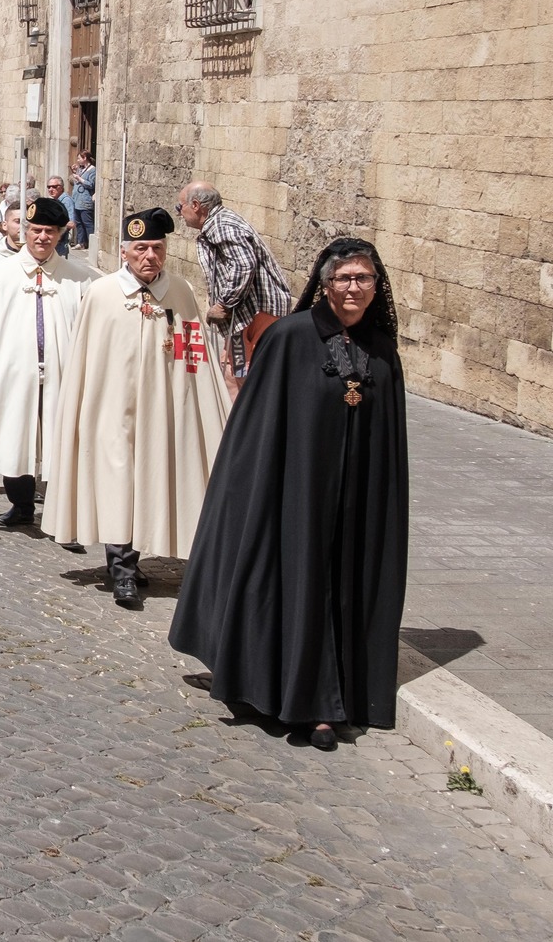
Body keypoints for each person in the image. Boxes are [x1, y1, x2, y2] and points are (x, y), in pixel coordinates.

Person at [171, 238, 408, 751]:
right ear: (324, 285)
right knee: (298, 585)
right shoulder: (290, 338)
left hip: (354, 500)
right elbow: (254, 430)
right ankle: (308, 706)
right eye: (343, 278)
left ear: (377, 286)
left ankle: (340, 695)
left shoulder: (383, 349)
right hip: (292, 494)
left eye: (363, 278)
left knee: (343, 587)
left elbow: (388, 437)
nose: (353, 288)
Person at [45, 208, 232, 607]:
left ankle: (139, 555)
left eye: (158, 248)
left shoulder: (180, 292)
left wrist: (193, 396)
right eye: (142, 249)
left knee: (153, 481)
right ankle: (122, 570)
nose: (151, 257)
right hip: (112, 410)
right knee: (117, 483)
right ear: (125, 252)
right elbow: (86, 361)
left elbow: (193, 350)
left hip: (162, 409)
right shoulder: (102, 293)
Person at [0, 197, 99, 529]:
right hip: (12, 374)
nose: (42, 237)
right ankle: (22, 505)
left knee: (61, 442)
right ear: (25, 231)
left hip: (62, 374)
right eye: (36, 230)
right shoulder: (1, 276)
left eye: (50, 231)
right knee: (14, 438)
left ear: (60, 235)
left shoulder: (79, 277)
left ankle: (62, 515)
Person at [179, 182, 293, 388]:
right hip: (251, 313)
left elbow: (243, 264)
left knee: (242, 376)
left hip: (254, 314)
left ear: (195, 205)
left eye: (181, 207)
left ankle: (244, 418)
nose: (180, 213)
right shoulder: (220, 222)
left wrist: (223, 304)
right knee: (234, 372)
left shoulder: (220, 225)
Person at [69, 151, 96, 250]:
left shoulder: (92, 170)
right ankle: (81, 242)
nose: (78, 161)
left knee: (87, 223)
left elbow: (91, 184)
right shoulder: (81, 169)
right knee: (79, 223)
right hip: (77, 200)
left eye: (79, 158)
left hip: (85, 201)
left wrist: (80, 179)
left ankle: (92, 245)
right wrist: (75, 171)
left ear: (85, 158)